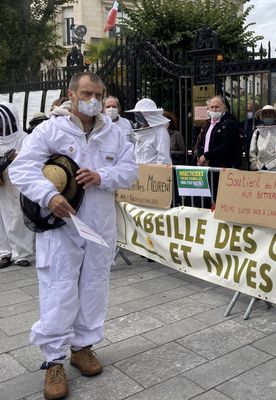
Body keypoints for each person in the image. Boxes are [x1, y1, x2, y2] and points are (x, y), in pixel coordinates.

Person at [8, 72, 137, 400]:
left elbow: (130, 171)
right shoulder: (51, 129)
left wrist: (102, 175)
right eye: (86, 93)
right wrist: (48, 196)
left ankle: (83, 348)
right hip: (61, 225)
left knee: (94, 285)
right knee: (58, 287)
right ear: (72, 94)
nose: (92, 99)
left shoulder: (114, 133)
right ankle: (53, 360)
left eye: (98, 94)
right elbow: (21, 169)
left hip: (99, 225)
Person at [0, 102, 35, 269]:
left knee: (19, 217)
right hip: (1, 185)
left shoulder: (25, 138)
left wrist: (15, 157)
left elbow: (33, 157)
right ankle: (4, 252)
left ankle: (22, 253)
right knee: (1, 217)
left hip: (19, 185)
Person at [193, 95, 242, 168]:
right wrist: (200, 157)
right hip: (207, 166)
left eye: (217, 107)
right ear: (208, 109)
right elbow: (201, 143)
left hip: (222, 167)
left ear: (224, 108)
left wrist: (207, 156)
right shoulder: (208, 124)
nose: (214, 110)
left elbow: (227, 145)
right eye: (212, 107)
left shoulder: (229, 123)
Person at [126, 98, 171, 165]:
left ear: (147, 114)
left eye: (138, 113)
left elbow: (163, 159)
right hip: (139, 172)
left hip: (153, 173)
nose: (136, 115)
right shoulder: (141, 132)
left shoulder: (160, 132)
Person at [249, 105, 276, 171]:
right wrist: (254, 163)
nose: (268, 115)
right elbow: (252, 150)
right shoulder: (257, 131)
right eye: (265, 113)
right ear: (262, 116)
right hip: (260, 167)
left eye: (270, 113)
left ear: (274, 115)